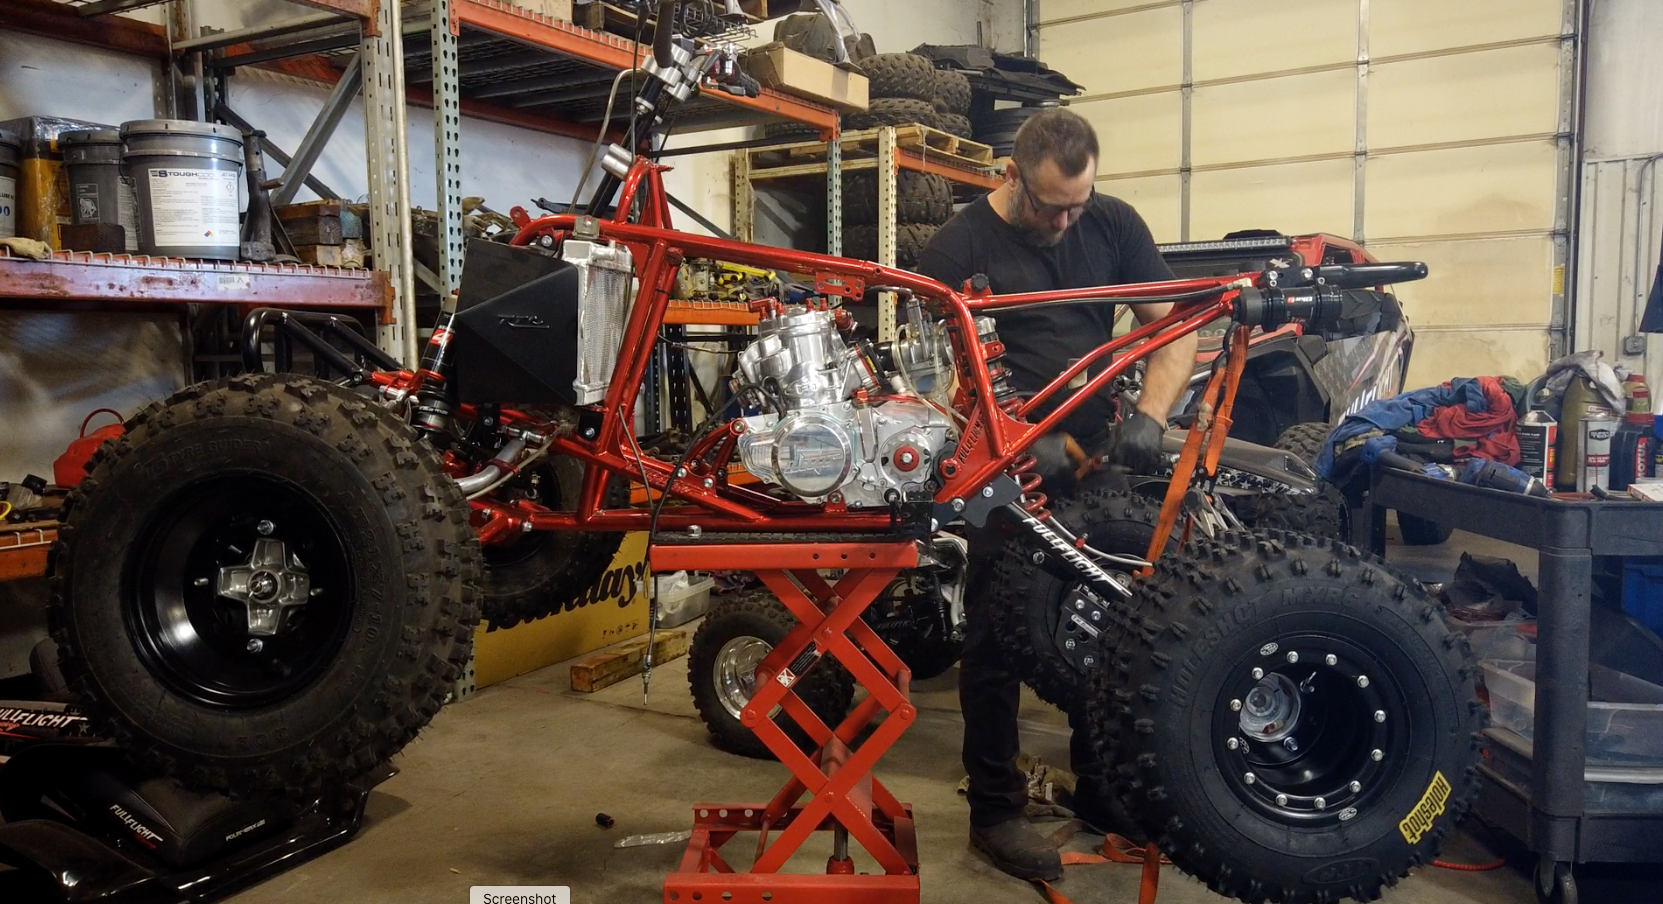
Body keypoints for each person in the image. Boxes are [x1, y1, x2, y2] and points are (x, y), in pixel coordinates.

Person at [914, 108, 1200, 882]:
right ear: (1011, 177)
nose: (1065, 220)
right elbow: (927, 381)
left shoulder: (1112, 224)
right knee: (999, 635)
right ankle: (996, 810)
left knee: (1106, 620)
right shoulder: (958, 247)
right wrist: (1006, 436)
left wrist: (1148, 418)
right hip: (1005, 463)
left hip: (1096, 454)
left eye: (1077, 202)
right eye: (1050, 206)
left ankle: (1101, 786)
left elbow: (1175, 328)